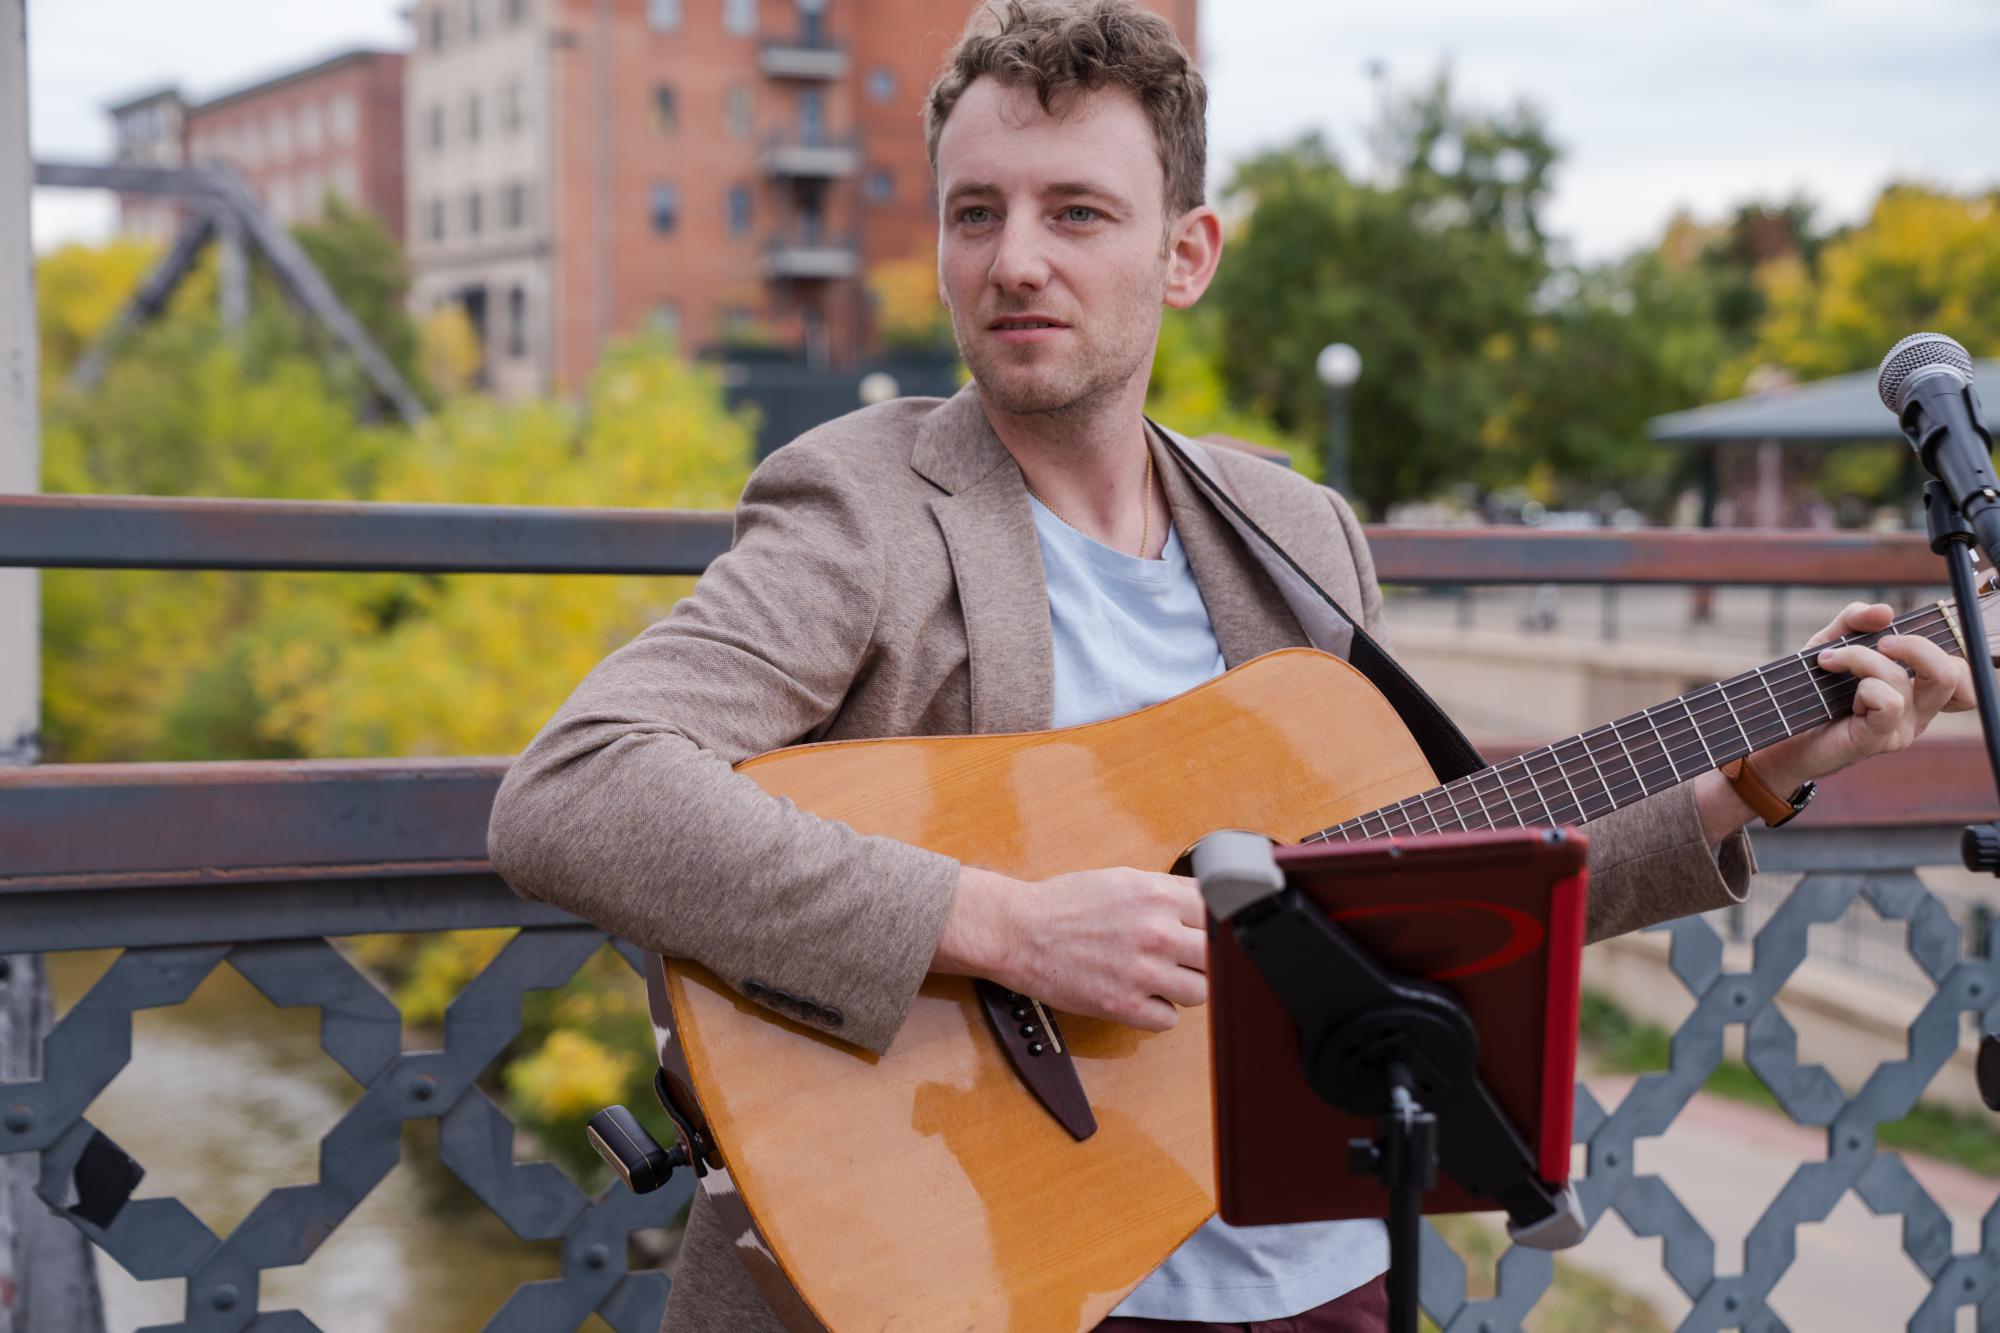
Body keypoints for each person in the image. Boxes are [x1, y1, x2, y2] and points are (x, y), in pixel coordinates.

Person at [486, 3, 1974, 1329]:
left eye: (1077, 213)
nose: (1015, 261)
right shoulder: (862, 508)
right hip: (983, 1262)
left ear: (1185, 253)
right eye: (975, 214)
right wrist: (1001, 922)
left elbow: (1440, 870)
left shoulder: (1292, 528)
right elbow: (574, 788)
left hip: (1317, 1262)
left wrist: (1761, 768)